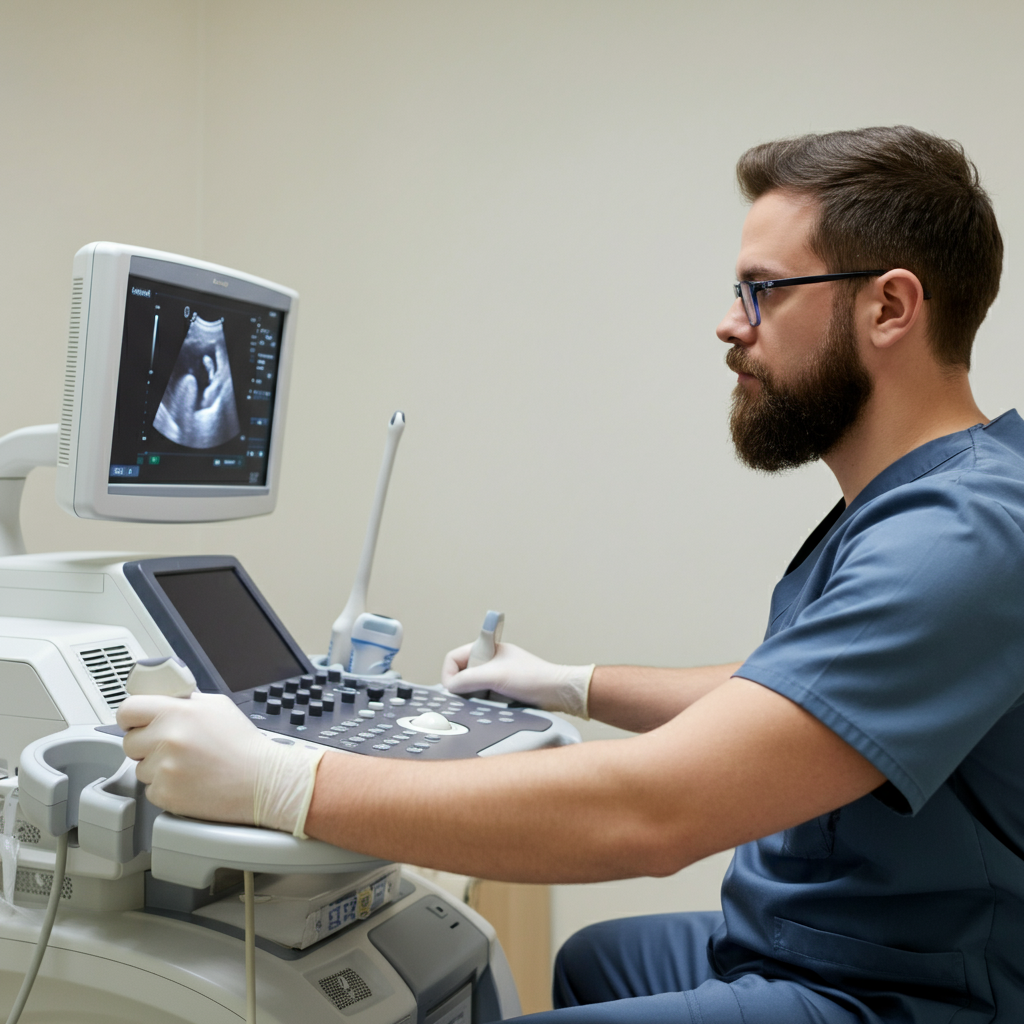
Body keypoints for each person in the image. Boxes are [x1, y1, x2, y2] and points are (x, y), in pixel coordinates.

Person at [117, 126, 1024, 1024]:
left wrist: (283, 781)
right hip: (825, 930)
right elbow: (799, 699)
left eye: (762, 291)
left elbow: (652, 813)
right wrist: (569, 686)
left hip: (900, 991)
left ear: (890, 308)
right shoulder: (939, 498)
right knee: (595, 960)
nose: (728, 322)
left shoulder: (959, 536)